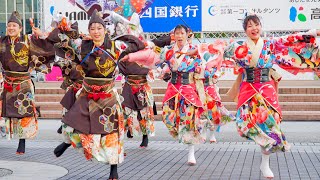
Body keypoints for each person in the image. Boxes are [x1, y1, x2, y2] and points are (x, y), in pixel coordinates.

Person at [224, 13, 320, 178]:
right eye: (250, 26)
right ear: (245, 30)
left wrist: (311, 33)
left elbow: (290, 39)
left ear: (261, 26)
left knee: (271, 124)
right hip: (248, 88)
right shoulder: (238, 46)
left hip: (266, 88)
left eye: (257, 24)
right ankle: (264, 149)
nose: (254, 28)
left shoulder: (270, 44)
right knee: (244, 122)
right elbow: (220, 52)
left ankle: (265, 163)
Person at [53, 10, 145, 179]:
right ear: (89, 30)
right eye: (92, 28)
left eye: (99, 28)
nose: (96, 31)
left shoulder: (116, 46)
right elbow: (63, 44)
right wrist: (63, 27)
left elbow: (138, 42)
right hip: (87, 93)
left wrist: (122, 22)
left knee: (111, 132)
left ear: (105, 30)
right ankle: (66, 143)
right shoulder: (82, 45)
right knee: (71, 122)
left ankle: (113, 168)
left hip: (108, 95)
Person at [0, 11, 55, 154]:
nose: (11, 28)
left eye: (14, 25)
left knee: (24, 111)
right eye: (9, 25)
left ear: (20, 28)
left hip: (23, 82)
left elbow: (45, 49)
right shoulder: (2, 42)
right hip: (7, 82)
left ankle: (22, 141)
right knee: (3, 110)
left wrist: (42, 35)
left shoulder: (28, 40)